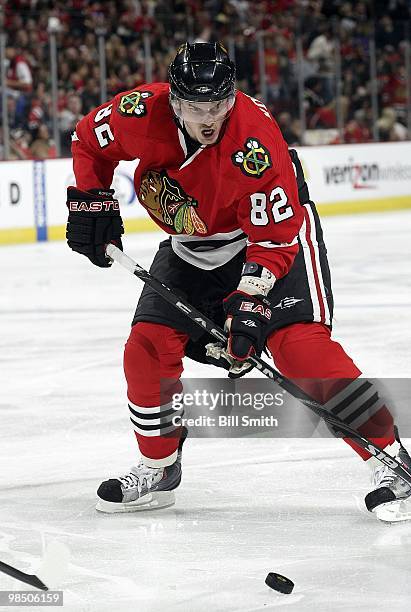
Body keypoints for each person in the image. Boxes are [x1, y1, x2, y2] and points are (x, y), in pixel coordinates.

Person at [66, 42, 411, 522]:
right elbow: (88, 141)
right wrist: (91, 200)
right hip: (192, 245)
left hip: (270, 238)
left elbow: (274, 236)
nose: (208, 117)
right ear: (173, 101)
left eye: (217, 105)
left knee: (300, 349)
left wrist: (248, 305)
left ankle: (390, 459)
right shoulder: (139, 112)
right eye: (195, 107)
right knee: (146, 346)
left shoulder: (254, 143)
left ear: (231, 97)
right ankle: (159, 465)